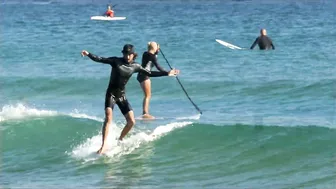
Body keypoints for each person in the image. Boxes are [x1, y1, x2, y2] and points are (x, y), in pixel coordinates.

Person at [81, 44, 179, 154]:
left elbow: (149, 73)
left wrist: (167, 73)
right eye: (125, 54)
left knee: (131, 121)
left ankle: (120, 139)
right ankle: (103, 146)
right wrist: (88, 54)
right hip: (111, 94)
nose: (127, 57)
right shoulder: (115, 61)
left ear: (133, 55)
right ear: (123, 53)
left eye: (130, 54)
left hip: (121, 95)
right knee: (109, 117)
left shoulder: (135, 66)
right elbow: (100, 59)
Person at [136, 42, 170, 119]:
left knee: (147, 95)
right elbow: (159, 67)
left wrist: (157, 50)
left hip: (141, 75)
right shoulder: (152, 57)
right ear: (155, 48)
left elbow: (152, 57)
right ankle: (145, 113)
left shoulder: (145, 54)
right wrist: (168, 72)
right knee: (148, 95)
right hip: (145, 76)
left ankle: (145, 112)